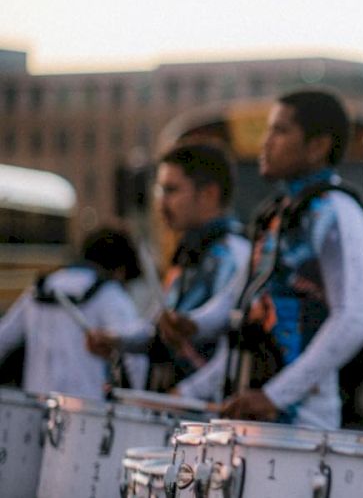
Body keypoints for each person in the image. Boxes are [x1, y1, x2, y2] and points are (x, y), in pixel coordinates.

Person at [176, 89, 363, 429]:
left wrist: (274, 396)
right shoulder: (277, 213)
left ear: (317, 146)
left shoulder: (337, 212)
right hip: (253, 419)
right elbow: (238, 300)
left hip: (301, 429)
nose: (265, 142)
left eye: (279, 131)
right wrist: (192, 324)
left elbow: (355, 319)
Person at [85, 142, 250, 392]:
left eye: (171, 190)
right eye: (159, 191)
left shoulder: (233, 254)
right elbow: (158, 330)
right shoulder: (189, 255)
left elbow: (236, 347)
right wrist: (116, 339)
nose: (161, 203)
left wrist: (186, 393)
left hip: (210, 421)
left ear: (209, 194)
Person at [0, 228, 149, 398]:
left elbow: (3, 339)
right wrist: (138, 398)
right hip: (89, 413)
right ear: (121, 271)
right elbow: (135, 356)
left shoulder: (39, 289)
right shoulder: (109, 293)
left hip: (36, 408)